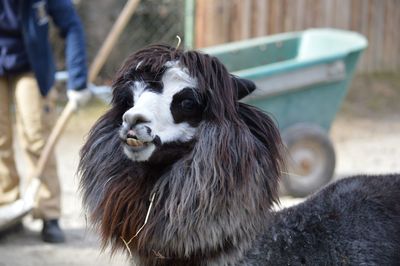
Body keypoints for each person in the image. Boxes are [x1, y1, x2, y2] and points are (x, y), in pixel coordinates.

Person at [0, 0, 91, 243]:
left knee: (38, 136)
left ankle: (48, 213)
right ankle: (6, 208)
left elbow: (71, 25)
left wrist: (78, 80)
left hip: (31, 66)